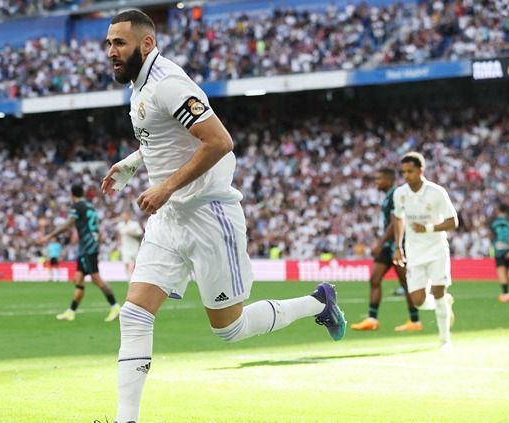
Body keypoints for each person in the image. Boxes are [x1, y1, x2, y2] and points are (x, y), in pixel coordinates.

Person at [101, 10, 346, 423]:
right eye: (108, 44)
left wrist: (164, 187)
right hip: (170, 219)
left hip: (208, 215)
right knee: (134, 313)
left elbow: (219, 141)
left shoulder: (168, 83)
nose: (111, 52)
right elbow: (167, 139)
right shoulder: (140, 85)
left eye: (119, 43)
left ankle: (318, 302)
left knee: (228, 329)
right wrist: (131, 164)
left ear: (146, 44)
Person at [392, 152, 457, 349]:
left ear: (421, 170)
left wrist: (428, 228)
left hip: (437, 249)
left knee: (438, 291)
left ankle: (444, 340)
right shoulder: (400, 193)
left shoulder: (436, 192)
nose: (406, 175)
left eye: (410, 171)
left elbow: (453, 221)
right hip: (414, 252)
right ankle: (444, 302)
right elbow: (398, 218)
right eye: (403, 172)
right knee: (418, 300)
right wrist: (398, 246)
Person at [351, 168, 421, 332]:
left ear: (389, 180)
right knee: (375, 279)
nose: (376, 182)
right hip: (388, 246)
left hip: (397, 245)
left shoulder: (395, 195)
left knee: (406, 283)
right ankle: (372, 319)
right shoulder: (388, 197)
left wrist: (380, 243)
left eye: (379, 179)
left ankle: (415, 321)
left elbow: (395, 222)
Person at [39, 184, 121, 322]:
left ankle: (116, 307)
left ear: (72, 194)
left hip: (88, 247)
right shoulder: (89, 206)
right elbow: (96, 226)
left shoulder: (77, 206)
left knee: (96, 279)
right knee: (78, 278)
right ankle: (71, 311)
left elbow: (67, 225)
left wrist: (48, 236)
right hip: (88, 246)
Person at [490, 203, 509, 302]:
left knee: (501, 271)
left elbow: (492, 236)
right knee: (506, 271)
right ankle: (507, 292)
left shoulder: (494, 222)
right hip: (508, 248)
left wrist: (492, 248)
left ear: (499, 210)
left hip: (498, 249)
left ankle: (505, 294)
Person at [116, 211, 143, 279]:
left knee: (137, 265)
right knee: (126, 264)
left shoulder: (134, 224)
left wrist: (131, 233)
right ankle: (129, 280)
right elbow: (118, 234)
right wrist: (119, 242)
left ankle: (138, 278)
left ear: (128, 216)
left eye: (124, 215)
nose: (123, 217)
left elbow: (140, 234)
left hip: (135, 248)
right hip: (125, 248)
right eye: (122, 216)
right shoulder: (120, 225)